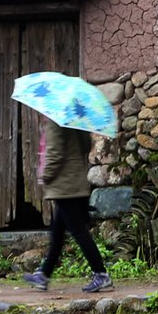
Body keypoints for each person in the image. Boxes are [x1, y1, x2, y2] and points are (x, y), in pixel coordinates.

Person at [23, 117, 113, 293]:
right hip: (76, 183)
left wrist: (45, 176)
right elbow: (86, 147)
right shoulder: (78, 121)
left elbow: (54, 153)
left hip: (64, 186)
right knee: (57, 232)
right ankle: (44, 274)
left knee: (79, 232)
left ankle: (101, 275)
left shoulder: (55, 122)